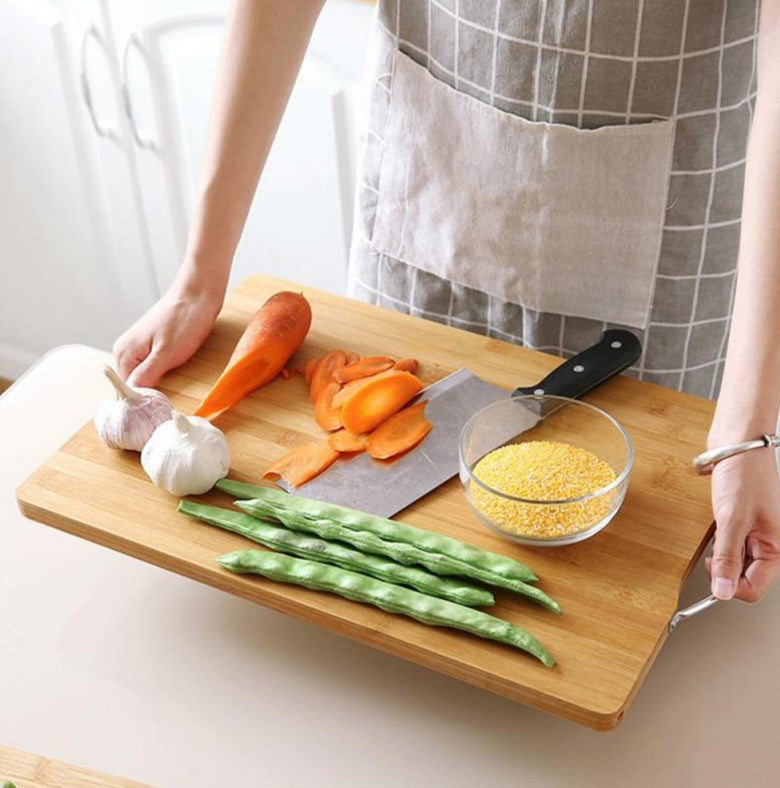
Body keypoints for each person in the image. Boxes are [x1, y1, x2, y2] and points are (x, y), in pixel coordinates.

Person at [112, 0, 780, 603]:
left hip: (663, 231)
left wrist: (746, 430)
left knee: (617, 574)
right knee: (385, 549)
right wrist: (202, 272)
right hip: (435, 183)